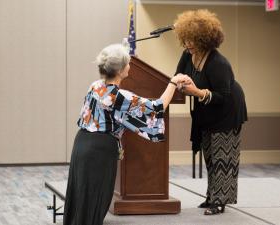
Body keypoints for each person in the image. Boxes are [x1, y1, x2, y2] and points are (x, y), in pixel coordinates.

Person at [63, 43, 190, 225]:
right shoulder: (119, 97)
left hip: (82, 143)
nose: (130, 66)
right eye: (128, 63)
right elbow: (157, 107)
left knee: (80, 196)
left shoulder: (95, 86)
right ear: (121, 70)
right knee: (95, 199)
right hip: (100, 150)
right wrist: (173, 82)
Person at [173, 9, 248, 215]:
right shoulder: (188, 55)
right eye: (185, 39)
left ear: (205, 40)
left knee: (223, 157)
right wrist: (178, 84)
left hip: (227, 111)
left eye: (192, 40)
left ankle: (220, 201)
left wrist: (196, 91)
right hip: (206, 112)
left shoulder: (219, 63)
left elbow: (223, 95)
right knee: (210, 156)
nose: (188, 44)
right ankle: (211, 196)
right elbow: (177, 75)